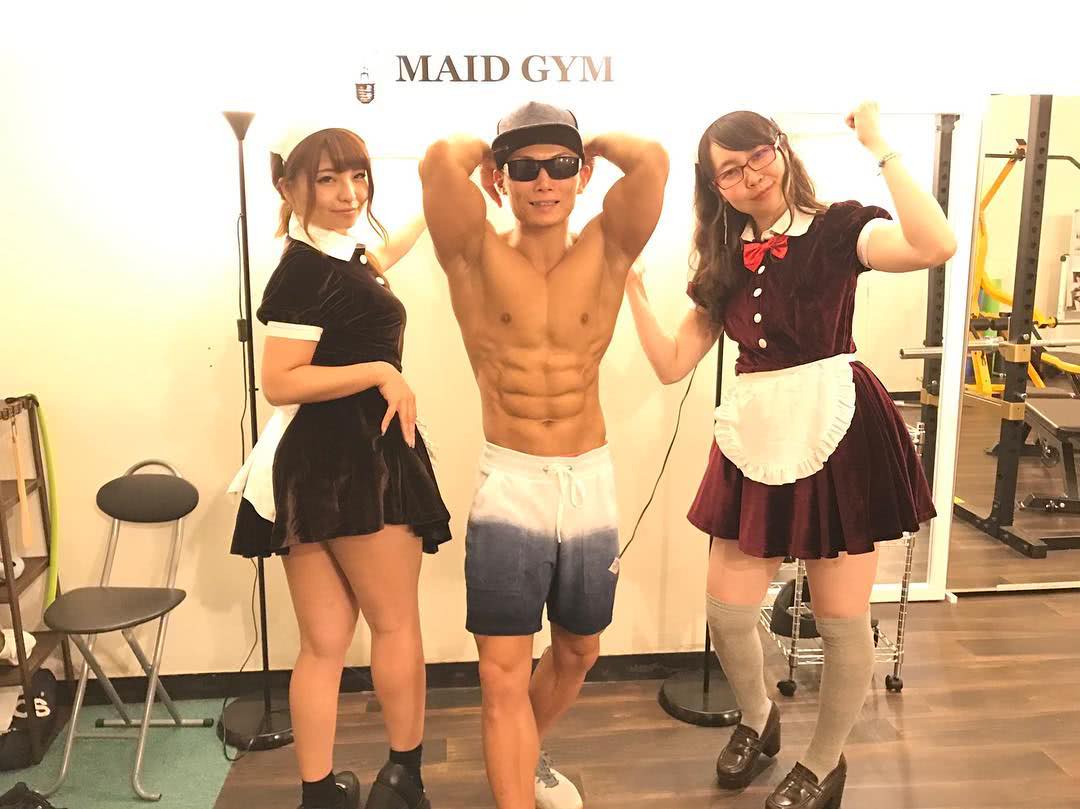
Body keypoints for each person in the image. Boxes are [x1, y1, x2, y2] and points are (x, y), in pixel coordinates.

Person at [623, 102, 955, 809]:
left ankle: (824, 762)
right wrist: (632, 292)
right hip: (757, 432)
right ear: (714, 187)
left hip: (838, 428)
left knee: (839, 620)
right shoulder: (724, 260)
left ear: (780, 149)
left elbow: (935, 245)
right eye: (729, 171)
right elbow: (672, 364)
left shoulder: (838, 228)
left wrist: (880, 145)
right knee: (726, 610)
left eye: (757, 155)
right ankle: (758, 717)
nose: (749, 176)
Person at [418, 102, 668, 809]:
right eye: (524, 168)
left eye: (560, 165)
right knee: (501, 671)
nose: (543, 181)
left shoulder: (608, 247)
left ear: (583, 175)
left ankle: (523, 755)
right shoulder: (473, 251)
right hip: (512, 482)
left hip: (589, 481)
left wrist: (589, 143)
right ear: (500, 179)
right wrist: (488, 152)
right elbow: (438, 159)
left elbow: (651, 161)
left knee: (579, 650)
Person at [228, 123, 449, 809]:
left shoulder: (334, 257)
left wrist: (438, 201)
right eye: (327, 179)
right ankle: (403, 780)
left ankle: (319, 794)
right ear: (289, 186)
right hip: (358, 463)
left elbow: (377, 258)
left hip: (311, 469)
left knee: (322, 645)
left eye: (358, 176)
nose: (349, 193)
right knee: (395, 625)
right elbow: (280, 380)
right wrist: (382, 370)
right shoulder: (305, 270)